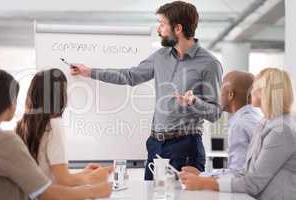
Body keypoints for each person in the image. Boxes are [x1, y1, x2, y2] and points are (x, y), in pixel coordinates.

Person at [70, 1, 223, 180]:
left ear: (178, 28)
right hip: (155, 144)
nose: (159, 30)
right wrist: (89, 72)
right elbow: (130, 76)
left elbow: (215, 113)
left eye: (163, 24)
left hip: (186, 146)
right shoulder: (160, 57)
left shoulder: (210, 64)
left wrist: (194, 102)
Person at [179, 68, 296, 200]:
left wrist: (204, 182)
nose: (250, 93)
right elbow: (244, 171)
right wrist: (204, 176)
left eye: (254, 88)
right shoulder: (265, 123)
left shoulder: (281, 131)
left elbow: (252, 183)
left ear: (265, 92)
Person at [0, 69, 112, 200]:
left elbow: (39, 174)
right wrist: (91, 182)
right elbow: (60, 182)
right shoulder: (53, 125)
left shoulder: (21, 125)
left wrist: (84, 175)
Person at [183, 71, 262, 176]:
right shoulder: (257, 117)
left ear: (230, 94)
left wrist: (201, 176)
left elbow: (237, 174)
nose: (218, 95)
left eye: (220, 90)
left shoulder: (240, 125)